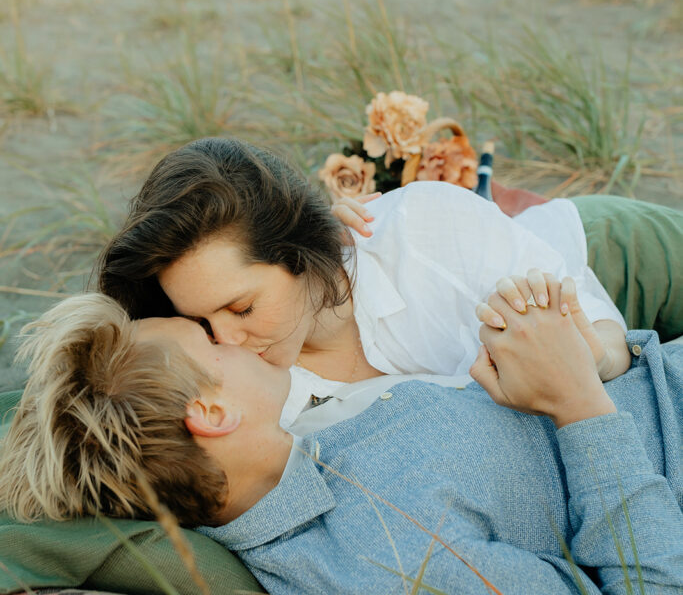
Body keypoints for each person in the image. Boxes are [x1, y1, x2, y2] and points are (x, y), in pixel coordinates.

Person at [1, 286, 681, 595]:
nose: (234, 336)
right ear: (211, 412)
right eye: (211, 340)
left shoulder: (308, 442)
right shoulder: (388, 570)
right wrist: (578, 405)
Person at [97, 138, 641, 429]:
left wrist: (582, 367)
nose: (227, 339)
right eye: (202, 321)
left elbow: (608, 337)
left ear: (303, 251)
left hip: (605, 247)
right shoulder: (244, 388)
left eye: (240, 308)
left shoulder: (423, 228)